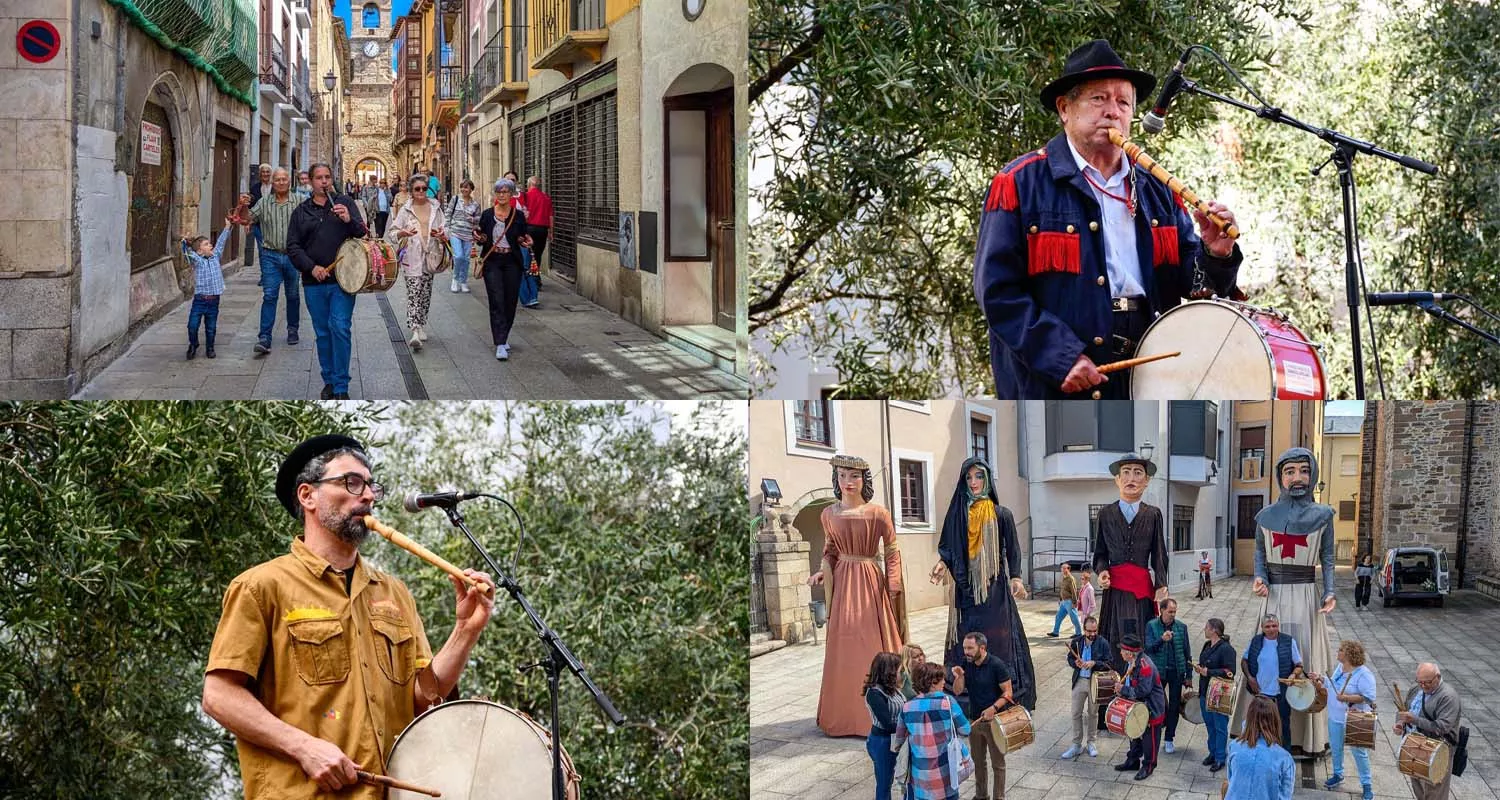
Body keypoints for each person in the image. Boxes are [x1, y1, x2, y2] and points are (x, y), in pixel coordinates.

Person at [201, 434, 496, 800]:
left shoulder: (394, 593)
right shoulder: (261, 586)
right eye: (351, 482)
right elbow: (218, 696)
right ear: (308, 496)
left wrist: (465, 631)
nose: (369, 495)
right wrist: (304, 747)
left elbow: (422, 698)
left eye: (372, 485)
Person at [972, 39, 1243, 398]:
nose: (1113, 111)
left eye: (1123, 102)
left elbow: (1194, 288)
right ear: (1065, 109)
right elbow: (996, 291)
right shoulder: (1019, 183)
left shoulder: (1157, 187)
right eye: (1098, 99)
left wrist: (1216, 254)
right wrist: (1059, 356)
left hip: (1148, 369)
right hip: (1057, 380)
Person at [1232, 447, 1335, 755]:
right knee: (1265, 656)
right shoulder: (1265, 517)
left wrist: (1329, 591)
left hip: (1305, 596)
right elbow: (1261, 555)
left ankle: (1306, 738)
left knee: (1303, 656)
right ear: (1281, 477)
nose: (1297, 477)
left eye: (1303, 470)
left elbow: (1328, 556)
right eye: (1289, 472)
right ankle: (1261, 728)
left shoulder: (1324, 515)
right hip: (1274, 597)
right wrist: (1259, 578)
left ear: (1312, 474)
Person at [807, 453, 906, 737]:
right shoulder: (828, 514)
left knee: (873, 643)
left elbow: (891, 550)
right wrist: (823, 571)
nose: (847, 481)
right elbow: (830, 551)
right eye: (841, 475)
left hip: (870, 582)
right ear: (835, 479)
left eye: (853, 476)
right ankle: (843, 715)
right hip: (843, 587)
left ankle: (882, 713)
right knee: (844, 649)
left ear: (864, 479)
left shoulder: (878, 513)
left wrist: (894, 583)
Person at [931, 457, 1036, 712]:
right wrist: (942, 564)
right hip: (965, 590)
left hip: (994, 589)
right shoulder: (957, 514)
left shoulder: (1002, 514)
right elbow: (947, 546)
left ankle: (1002, 687)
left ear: (987, 479)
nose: (974, 482)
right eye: (969, 477)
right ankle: (964, 686)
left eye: (979, 477)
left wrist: (1016, 578)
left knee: (998, 637)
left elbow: (1013, 549)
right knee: (965, 634)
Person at [287, 163, 368, 400]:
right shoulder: (301, 212)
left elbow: (362, 231)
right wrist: (312, 268)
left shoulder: (345, 203)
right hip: (314, 282)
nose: (324, 181)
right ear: (310, 182)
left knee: (340, 328)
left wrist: (347, 220)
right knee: (323, 333)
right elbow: (293, 246)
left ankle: (341, 386)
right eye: (319, 178)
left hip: (344, 280)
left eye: (328, 177)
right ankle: (329, 380)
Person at [1093, 452, 1168, 674]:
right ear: (1117, 479)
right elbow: (1099, 554)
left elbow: (1159, 553)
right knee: (1113, 638)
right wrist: (1101, 572)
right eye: (1125, 473)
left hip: (1141, 593)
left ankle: (1141, 688)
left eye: (1137, 473)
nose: (1131, 478)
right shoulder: (1105, 514)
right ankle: (1113, 690)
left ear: (1146, 481)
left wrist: (1161, 583)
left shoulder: (1153, 514)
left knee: (1140, 637)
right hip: (1114, 592)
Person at [240, 167, 303, 355]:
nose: (281, 182)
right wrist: (243, 206)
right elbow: (246, 220)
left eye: (284, 179)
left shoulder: (299, 202)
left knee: (292, 295)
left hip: (293, 256)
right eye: (278, 180)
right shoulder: (264, 202)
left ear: (289, 181)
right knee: (269, 295)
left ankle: (293, 329)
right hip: (270, 255)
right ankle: (265, 337)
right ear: (272, 183)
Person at [472, 178, 534, 361]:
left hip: (512, 261)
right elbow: (481, 236)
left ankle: (504, 334)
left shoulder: (518, 216)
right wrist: (479, 237)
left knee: (510, 300)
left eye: (505, 191)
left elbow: (523, 237)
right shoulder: (487, 214)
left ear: (511, 194)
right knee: (496, 299)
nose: (502, 195)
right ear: (495, 194)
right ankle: (500, 342)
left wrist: (527, 242)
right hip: (492, 261)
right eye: (499, 192)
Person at [386, 175, 448, 351]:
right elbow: (392, 233)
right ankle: (414, 330)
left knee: (425, 293)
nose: (421, 192)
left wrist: (442, 234)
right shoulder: (405, 210)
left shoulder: (436, 207)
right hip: (411, 257)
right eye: (417, 189)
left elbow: (445, 228)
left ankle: (421, 324)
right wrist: (402, 233)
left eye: (423, 188)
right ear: (411, 192)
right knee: (414, 292)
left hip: (431, 256)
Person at [893, 662, 970, 800]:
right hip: (946, 772)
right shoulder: (948, 702)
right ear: (933, 682)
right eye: (942, 679)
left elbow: (898, 740)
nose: (944, 682)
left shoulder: (907, 707)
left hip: (920, 775)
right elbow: (965, 729)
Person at [950, 633, 1013, 800]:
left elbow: (1008, 693)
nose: (966, 652)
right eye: (964, 648)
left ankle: (999, 797)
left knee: (998, 764)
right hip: (975, 720)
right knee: (978, 762)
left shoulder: (997, 665)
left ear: (982, 648)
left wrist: (993, 708)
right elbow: (957, 691)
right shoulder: (966, 663)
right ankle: (981, 795)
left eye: (970, 648)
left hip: (995, 721)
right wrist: (959, 677)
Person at [1310, 640, 1376, 799]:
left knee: (1359, 753)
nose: (1337, 652)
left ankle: (1367, 785)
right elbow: (1333, 684)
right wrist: (1320, 678)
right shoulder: (1341, 668)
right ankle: (1338, 774)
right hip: (1335, 717)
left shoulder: (1364, 674)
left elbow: (1368, 698)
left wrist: (1346, 697)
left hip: (1353, 720)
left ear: (1349, 655)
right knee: (1336, 748)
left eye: (1341, 650)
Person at [1396, 663, 1462, 800]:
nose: (1423, 686)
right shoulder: (1416, 689)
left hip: (1437, 749)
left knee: (1435, 792)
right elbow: (1404, 710)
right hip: (1414, 744)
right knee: (1418, 787)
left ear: (1437, 677)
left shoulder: (1448, 697)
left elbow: (1442, 727)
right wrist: (1400, 723)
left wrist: (1415, 720)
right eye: (1420, 682)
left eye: (1427, 682)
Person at [1240, 613, 1304, 751]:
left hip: (1281, 694)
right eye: (1268, 626)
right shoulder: (1256, 641)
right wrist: (1250, 678)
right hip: (1260, 694)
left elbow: (1299, 665)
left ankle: (1285, 756)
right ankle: (1261, 753)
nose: (1271, 629)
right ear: (1262, 628)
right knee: (1258, 725)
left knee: (1283, 726)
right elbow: (1244, 661)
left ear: (1278, 626)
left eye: (1274, 626)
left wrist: (1293, 675)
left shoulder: (1288, 641)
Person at [179, 222, 233, 360]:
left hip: (214, 300)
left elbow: (221, 242)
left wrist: (227, 226)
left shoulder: (215, 256)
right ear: (199, 251)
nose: (211, 245)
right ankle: (193, 344)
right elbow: (187, 254)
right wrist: (184, 242)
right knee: (192, 326)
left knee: (211, 327)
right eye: (207, 244)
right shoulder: (197, 261)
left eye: (210, 244)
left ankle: (210, 347)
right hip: (200, 300)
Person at [1225, 695, 1296, 800]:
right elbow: (1285, 796)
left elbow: (1232, 780)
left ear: (1249, 717)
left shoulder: (1234, 746)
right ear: (1275, 721)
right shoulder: (1285, 759)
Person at [1115, 634, 1165, 781]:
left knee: (1150, 740)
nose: (1120, 653)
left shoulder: (1145, 667)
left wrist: (1123, 689)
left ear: (1130, 653)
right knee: (1133, 734)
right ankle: (1133, 760)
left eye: (1122, 650)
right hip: (1137, 706)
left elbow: (1143, 691)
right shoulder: (1130, 662)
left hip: (1152, 708)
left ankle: (1149, 766)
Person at [1062, 615, 1111, 760]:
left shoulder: (1102, 643)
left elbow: (1109, 662)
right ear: (1084, 630)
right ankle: (1076, 744)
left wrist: (1094, 663)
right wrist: (1074, 663)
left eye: (1094, 631)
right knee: (1076, 712)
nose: (1092, 634)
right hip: (1079, 681)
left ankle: (1091, 742)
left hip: (1094, 682)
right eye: (1089, 631)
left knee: (1093, 713)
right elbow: (1070, 658)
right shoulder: (1077, 641)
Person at [1145, 597, 1191, 754]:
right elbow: (1148, 648)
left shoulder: (1181, 627)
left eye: (1175, 612)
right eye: (1170, 611)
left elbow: (1187, 652)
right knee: (1156, 704)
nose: (1173, 614)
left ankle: (1169, 738)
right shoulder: (1152, 626)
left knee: (1174, 706)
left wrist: (1189, 676)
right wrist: (1161, 640)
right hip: (1158, 671)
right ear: (1162, 610)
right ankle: (1152, 734)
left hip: (1176, 672)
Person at [1193, 617, 1235, 772]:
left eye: (1206, 627)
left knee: (1220, 726)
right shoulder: (1207, 644)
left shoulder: (1226, 649)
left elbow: (1230, 672)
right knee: (1210, 725)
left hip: (1219, 693)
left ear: (1214, 631)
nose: (1204, 630)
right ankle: (1212, 753)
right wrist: (1200, 668)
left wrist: (1208, 672)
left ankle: (1220, 757)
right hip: (1205, 691)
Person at [864, 652, 905, 800]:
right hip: (883, 742)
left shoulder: (892, 688)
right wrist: (911, 726)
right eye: (899, 670)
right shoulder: (874, 694)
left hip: (897, 739)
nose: (901, 673)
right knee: (884, 783)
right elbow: (887, 723)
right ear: (889, 672)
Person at [445, 180, 481, 293]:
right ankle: (455, 279)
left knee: (466, 259)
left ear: (471, 189)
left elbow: (479, 218)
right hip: (455, 232)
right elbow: (448, 214)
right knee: (458, 256)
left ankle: (463, 281)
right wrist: (446, 228)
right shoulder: (455, 200)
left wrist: (473, 219)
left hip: (468, 235)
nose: (464, 190)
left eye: (466, 187)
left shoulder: (475, 204)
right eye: (462, 187)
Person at [522, 175, 553, 267]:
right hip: (542, 231)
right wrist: (551, 232)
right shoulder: (546, 198)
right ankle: (536, 277)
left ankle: (528, 276)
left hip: (528, 229)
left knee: (527, 254)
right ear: (539, 185)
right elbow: (551, 216)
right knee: (538, 254)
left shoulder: (525, 196)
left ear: (529, 185)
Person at [248, 163, 274, 267]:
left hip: (273, 224)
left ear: (271, 173)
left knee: (274, 249)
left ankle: (274, 272)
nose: (265, 174)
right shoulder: (255, 188)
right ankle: (265, 275)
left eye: (267, 172)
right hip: (259, 224)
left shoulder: (276, 188)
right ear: (260, 174)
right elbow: (251, 206)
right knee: (262, 249)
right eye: (263, 172)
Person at [1048, 562, 1081, 638]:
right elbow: (1062, 589)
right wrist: (1060, 599)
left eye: (1064, 568)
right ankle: (1055, 632)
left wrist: (1074, 602)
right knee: (1058, 617)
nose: (1062, 569)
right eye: (1061, 568)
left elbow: (1074, 591)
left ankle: (1078, 633)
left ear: (1068, 569)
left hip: (1069, 602)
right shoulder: (1064, 578)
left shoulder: (1070, 579)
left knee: (1074, 618)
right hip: (1063, 602)